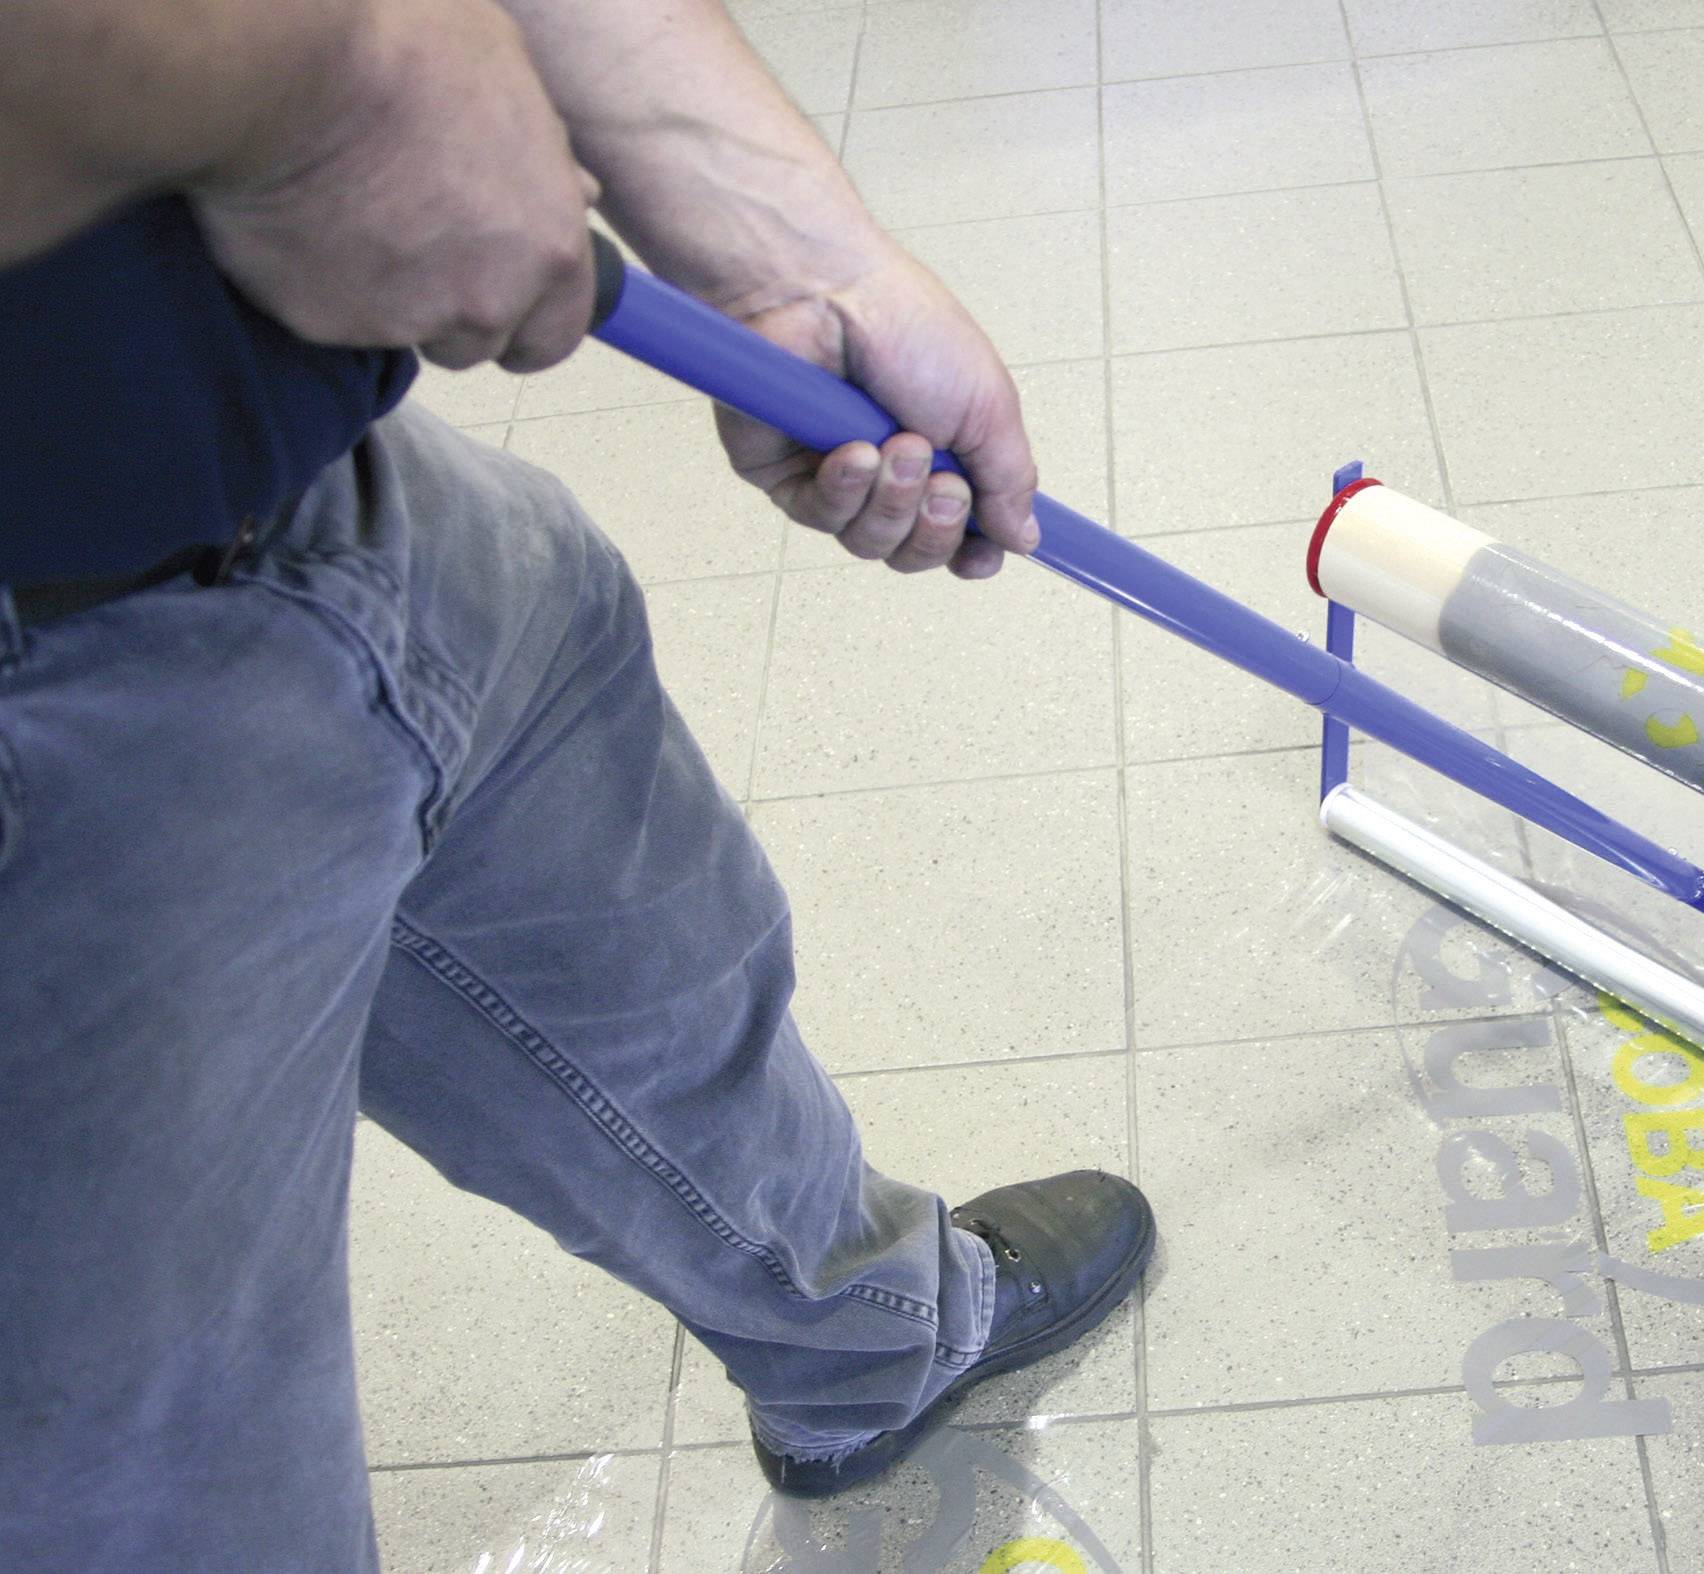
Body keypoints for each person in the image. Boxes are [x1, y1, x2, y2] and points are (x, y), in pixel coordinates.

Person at [0, 0, 1154, 1565]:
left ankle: (868, 1342)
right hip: (45, 702)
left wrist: (809, 269)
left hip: (307, 479)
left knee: (638, 928)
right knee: (151, 1473)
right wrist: (330, 79)